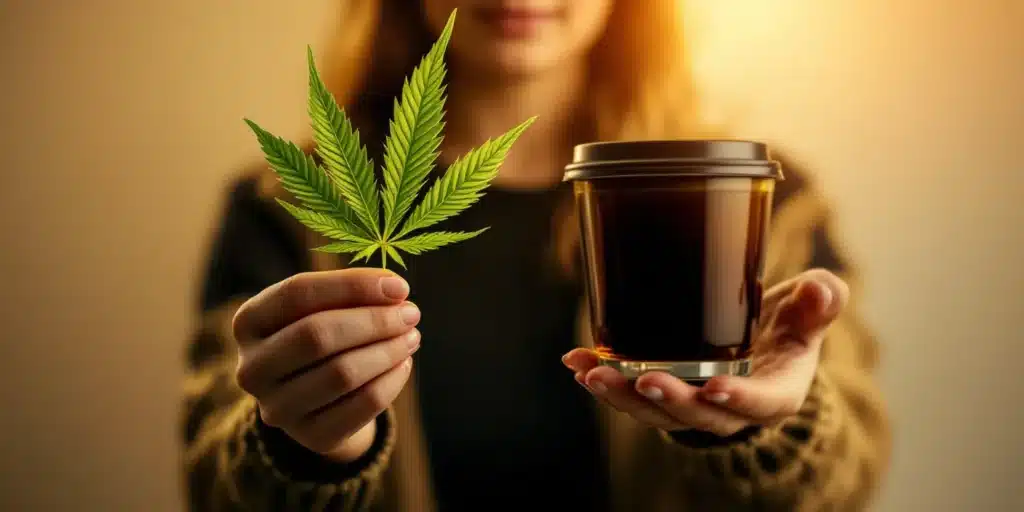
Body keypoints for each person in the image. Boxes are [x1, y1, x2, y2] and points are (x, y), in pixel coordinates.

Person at [182, 1, 891, 510]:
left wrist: (771, 428)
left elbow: (845, 478)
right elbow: (215, 482)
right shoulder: (287, 206)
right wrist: (305, 446)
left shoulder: (754, 201)